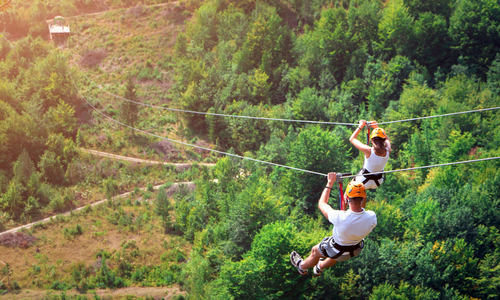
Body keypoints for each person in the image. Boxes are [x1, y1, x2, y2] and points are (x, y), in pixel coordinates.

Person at [290, 173, 377, 276]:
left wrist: (330, 182)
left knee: (315, 251)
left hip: (337, 249)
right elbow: (360, 211)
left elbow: (322, 204)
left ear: (347, 198)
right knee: (338, 252)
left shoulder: (339, 217)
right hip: (355, 249)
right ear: (363, 197)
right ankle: (320, 266)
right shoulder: (372, 217)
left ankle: (302, 267)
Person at [349, 120, 391, 190]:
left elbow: (352, 139)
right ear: (383, 140)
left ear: (372, 140)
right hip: (378, 181)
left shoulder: (369, 151)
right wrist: (377, 128)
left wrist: (360, 126)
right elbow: (387, 139)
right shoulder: (388, 150)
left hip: (363, 181)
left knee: (348, 191)